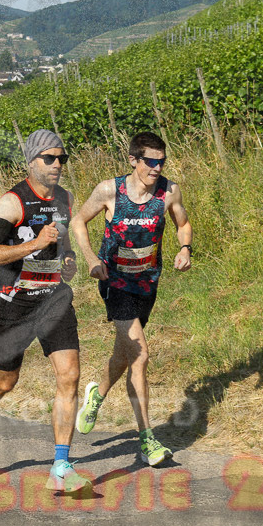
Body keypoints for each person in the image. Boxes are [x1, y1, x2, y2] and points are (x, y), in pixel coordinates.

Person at [0, 129, 89, 493]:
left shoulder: (65, 198)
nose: (57, 165)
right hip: (13, 303)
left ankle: (61, 466)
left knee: (69, 376)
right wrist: (34, 244)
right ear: (31, 162)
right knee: (5, 381)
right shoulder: (12, 203)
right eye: (49, 158)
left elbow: (63, 244)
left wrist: (68, 261)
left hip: (53, 299)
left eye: (62, 158)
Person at [69, 131, 192, 467]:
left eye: (161, 162)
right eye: (150, 161)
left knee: (124, 353)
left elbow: (183, 223)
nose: (157, 168)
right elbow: (78, 221)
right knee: (140, 355)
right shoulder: (110, 190)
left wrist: (185, 248)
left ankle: (97, 395)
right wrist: (91, 259)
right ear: (133, 160)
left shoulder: (169, 191)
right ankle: (148, 440)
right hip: (115, 282)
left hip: (147, 283)